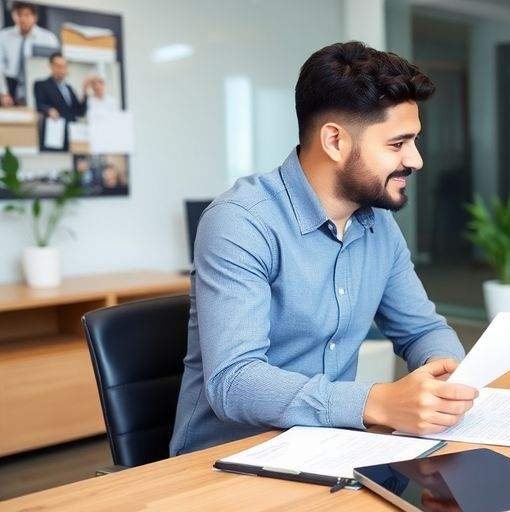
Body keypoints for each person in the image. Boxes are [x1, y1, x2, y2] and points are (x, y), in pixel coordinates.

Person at [170, 41, 476, 455]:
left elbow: (422, 329)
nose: (416, 160)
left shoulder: (378, 225)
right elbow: (234, 381)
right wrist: (377, 402)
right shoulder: (241, 222)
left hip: (331, 449)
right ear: (334, 141)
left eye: (415, 141)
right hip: (224, 463)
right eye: (397, 143)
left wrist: (442, 373)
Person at [0, 1, 58, 106]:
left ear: (35, 17)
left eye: (27, 15)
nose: (23, 19)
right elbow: (0, 66)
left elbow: (55, 66)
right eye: (19, 14)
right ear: (13, 15)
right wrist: (3, 92)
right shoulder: (3, 36)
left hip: (37, 87)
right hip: (10, 86)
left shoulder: (48, 38)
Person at [33, 52, 86, 151]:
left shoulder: (69, 88)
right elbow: (39, 104)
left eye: (64, 66)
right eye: (58, 66)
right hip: (53, 134)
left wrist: (85, 93)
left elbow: (79, 112)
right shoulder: (41, 85)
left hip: (71, 136)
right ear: (51, 66)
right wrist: (48, 110)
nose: (62, 70)